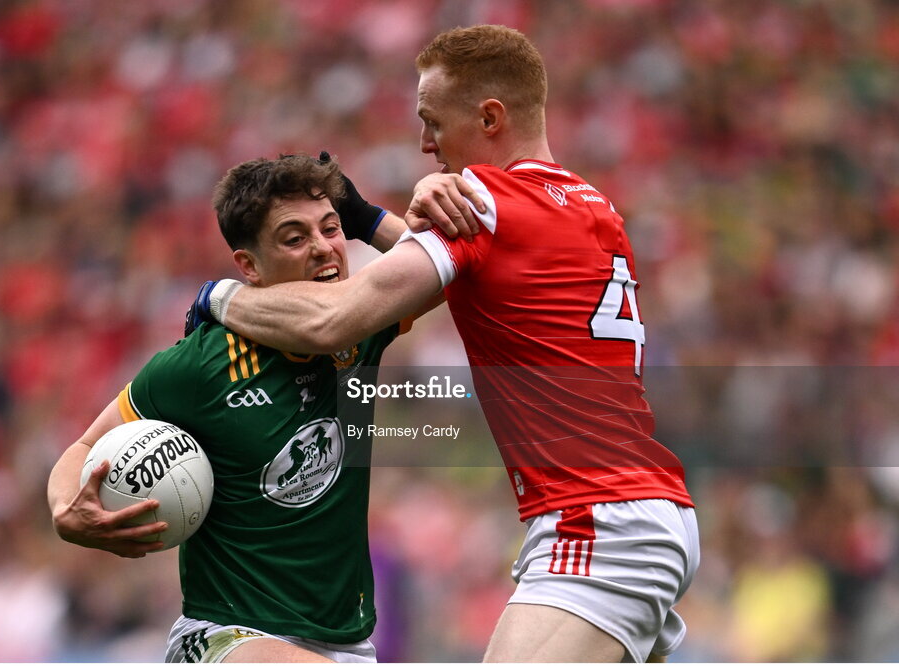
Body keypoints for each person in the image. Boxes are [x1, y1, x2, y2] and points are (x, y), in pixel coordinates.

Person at [186, 25, 700, 663]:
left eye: (432, 122)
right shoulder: (586, 201)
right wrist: (371, 218)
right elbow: (477, 268)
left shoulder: (486, 202)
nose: (424, 143)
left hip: (596, 518)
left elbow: (332, 322)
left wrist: (219, 297)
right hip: (648, 507)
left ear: (489, 117)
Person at [47, 153, 468, 663]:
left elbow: (454, 276)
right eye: (294, 238)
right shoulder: (200, 365)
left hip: (346, 645)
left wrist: (367, 220)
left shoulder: (360, 330)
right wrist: (66, 511)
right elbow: (87, 445)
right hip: (228, 637)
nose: (321, 248)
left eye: (330, 229)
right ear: (249, 266)